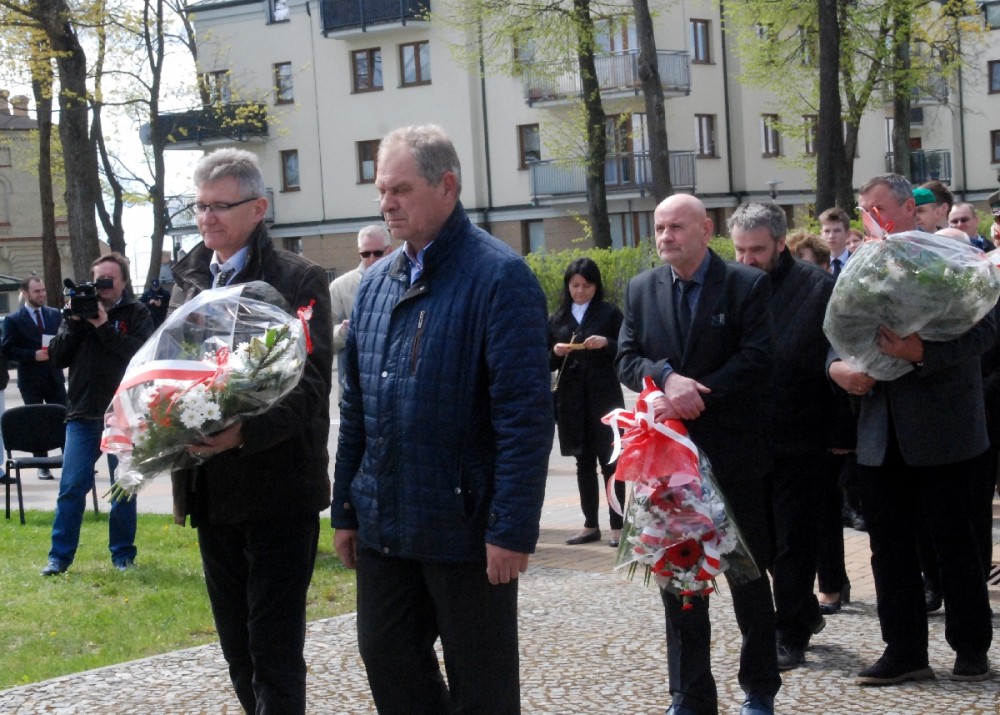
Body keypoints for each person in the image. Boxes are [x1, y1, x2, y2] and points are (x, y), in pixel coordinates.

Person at [332, 124, 553, 714]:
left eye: (401, 189)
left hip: (466, 529)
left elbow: (525, 417)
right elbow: (355, 409)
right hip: (385, 526)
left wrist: (511, 528)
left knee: (483, 690)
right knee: (387, 661)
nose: (387, 203)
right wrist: (346, 509)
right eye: (382, 190)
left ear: (447, 185)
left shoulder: (500, 278)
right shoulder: (374, 285)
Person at [167, 148, 333, 714]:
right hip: (210, 490)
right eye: (200, 206)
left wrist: (243, 433)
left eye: (221, 206)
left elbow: (311, 387)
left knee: (273, 649)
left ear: (258, 208)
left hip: (277, 489)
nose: (206, 217)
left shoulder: (298, 279)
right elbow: (170, 368)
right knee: (237, 650)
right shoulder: (188, 277)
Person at [616, 193, 779, 715]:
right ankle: (690, 694)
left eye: (677, 227)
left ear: (706, 230)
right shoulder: (642, 289)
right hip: (671, 465)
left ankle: (759, 688)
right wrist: (666, 378)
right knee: (680, 578)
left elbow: (758, 358)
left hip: (736, 456)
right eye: (659, 228)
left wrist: (696, 393)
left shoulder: (746, 285)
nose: (666, 237)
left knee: (747, 577)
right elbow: (626, 357)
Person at [829, 173, 993, 685]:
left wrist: (923, 353)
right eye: (865, 209)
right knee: (888, 547)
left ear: (908, 208)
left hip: (943, 428)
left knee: (955, 541)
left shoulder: (950, 259)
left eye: (879, 208)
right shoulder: (860, 264)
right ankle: (904, 651)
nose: (871, 218)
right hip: (880, 431)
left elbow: (985, 329)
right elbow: (836, 331)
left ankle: (971, 646)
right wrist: (838, 368)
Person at [729, 203, 836, 672]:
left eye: (756, 250)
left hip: (802, 435)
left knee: (795, 539)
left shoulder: (817, 287)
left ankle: (789, 632)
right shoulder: (731, 284)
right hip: (748, 436)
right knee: (762, 541)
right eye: (739, 250)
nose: (746, 259)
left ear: (779, 242)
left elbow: (834, 354)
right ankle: (804, 610)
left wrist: (839, 434)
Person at [41, 253, 154, 576]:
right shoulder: (76, 312)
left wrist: (104, 326)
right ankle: (59, 558)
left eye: (109, 280)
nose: (102, 286)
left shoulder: (136, 312)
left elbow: (140, 356)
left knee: (123, 488)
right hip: (83, 412)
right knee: (72, 487)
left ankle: (123, 556)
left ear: (123, 282)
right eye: (97, 280)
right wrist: (76, 323)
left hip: (124, 413)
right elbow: (57, 358)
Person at [548, 257, 625, 547]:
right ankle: (590, 524)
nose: (580, 291)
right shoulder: (557, 318)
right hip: (572, 400)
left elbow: (627, 350)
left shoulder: (609, 313)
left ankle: (618, 525)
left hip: (604, 397)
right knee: (583, 462)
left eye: (587, 286)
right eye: (575, 285)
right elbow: (545, 361)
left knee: (611, 461)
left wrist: (606, 344)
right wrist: (556, 352)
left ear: (596, 286)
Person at [2, 275, 67, 479]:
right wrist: (32, 355)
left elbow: (64, 339)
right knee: (36, 422)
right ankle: (42, 464)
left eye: (43, 290)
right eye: (37, 291)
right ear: (25, 293)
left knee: (64, 417)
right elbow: (8, 349)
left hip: (54, 375)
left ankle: (70, 460)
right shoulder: (14, 319)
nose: (41, 295)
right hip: (30, 379)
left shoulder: (54, 315)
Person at [328, 224, 392, 401]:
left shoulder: (406, 281)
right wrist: (342, 331)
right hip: (353, 388)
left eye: (377, 253)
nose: (371, 259)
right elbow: (322, 337)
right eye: (365, 254)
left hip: (393, 386)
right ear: (359, 252)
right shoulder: (340, 287)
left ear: (389, 251)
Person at [818, 207, 852, 277]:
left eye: (837, 231)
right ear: (820, 234)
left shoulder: (858, 263)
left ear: (848, 234)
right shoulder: (815, 265)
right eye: (827, 231)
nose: (831, 236)